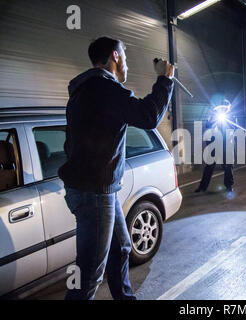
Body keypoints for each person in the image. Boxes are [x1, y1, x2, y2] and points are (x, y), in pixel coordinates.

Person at [58, 37, 174, 300]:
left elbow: (71, 142)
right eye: (125, 57)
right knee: (89, 274)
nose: (127, 65)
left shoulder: (83, 92)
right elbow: (148, 116)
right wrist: (165, 79)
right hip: (94, 192)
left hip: (97, 190)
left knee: (121, 247)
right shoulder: (103, 89)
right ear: (115, 55)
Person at [195, 100, 236, 193]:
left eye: (224, 108)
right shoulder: (213, 117)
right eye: (220, 108)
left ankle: (229, 185)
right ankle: (202, 187)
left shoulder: (231, 117)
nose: (222, 109)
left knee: (229, 166)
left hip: (227, 144)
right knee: (209, 166)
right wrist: (214, 120)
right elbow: (207, 125)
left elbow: (235, 127)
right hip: (215, 144)